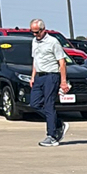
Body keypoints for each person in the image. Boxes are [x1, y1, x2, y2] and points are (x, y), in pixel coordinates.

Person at [27, 19, 70, 147]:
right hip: (39, 76)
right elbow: (36, 60)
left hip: (51, 76)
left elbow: (62, 63)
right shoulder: (34, 41)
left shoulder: (53, 42)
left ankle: (52, 136)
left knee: (49, 104)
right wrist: (33, 76)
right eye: (32, 32)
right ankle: (58, 123)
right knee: (34, 104)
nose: (35, 35)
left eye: (37, 32)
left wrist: (63, 82)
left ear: (43, 30)